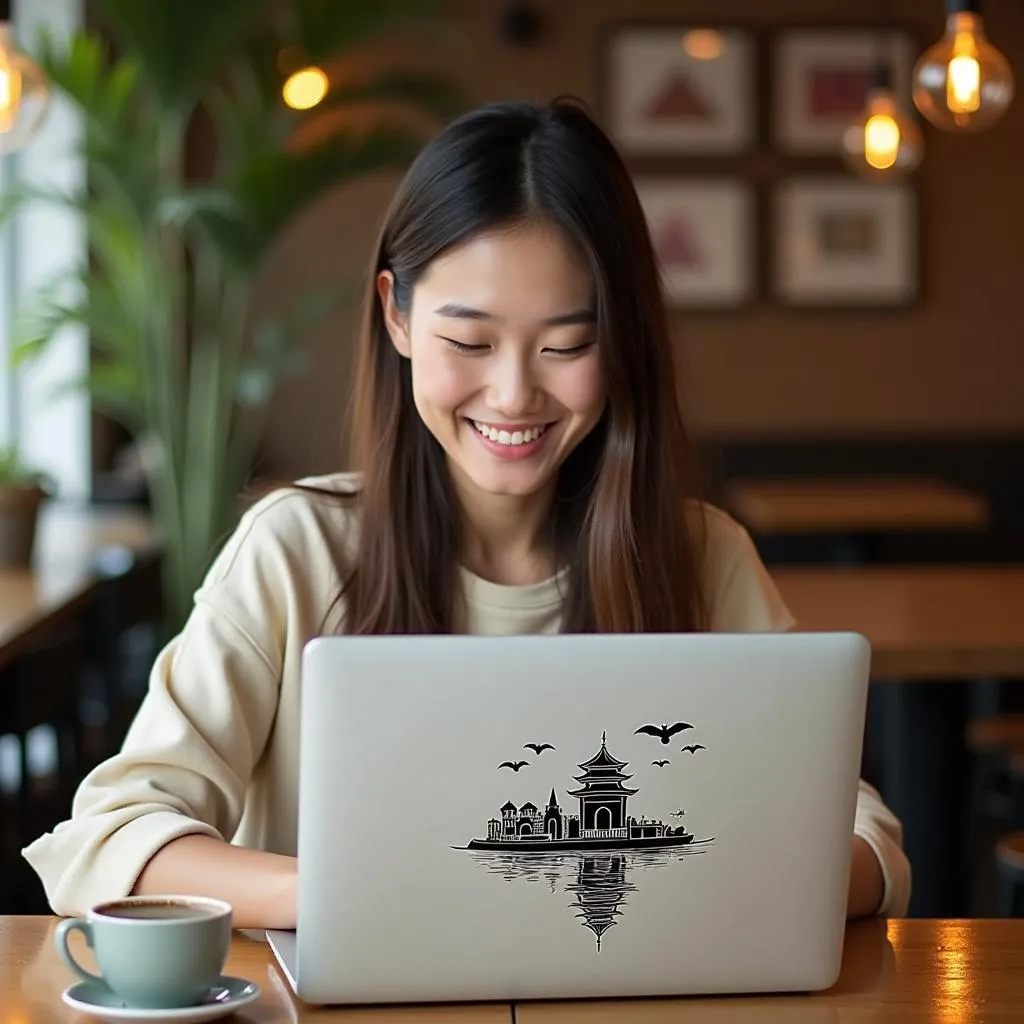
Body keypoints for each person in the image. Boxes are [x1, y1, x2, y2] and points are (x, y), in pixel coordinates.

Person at [23, 98, 910, 928]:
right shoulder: (297, 551)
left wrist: (702, 883)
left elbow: (866, 839)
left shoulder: (699, 555)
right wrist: (365, 893)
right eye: (470, 341)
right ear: (397, 317)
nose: (515, 393)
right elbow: (110, 835)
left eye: (568, 344)